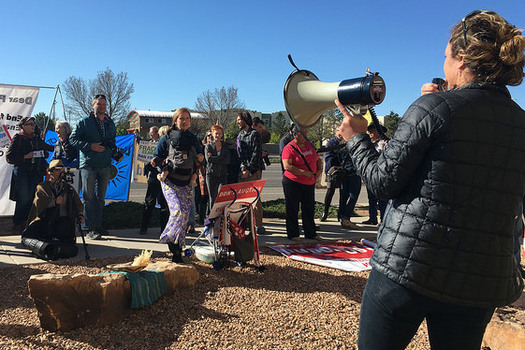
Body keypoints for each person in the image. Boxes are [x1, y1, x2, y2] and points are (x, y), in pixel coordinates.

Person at [335, 10, 525, 349]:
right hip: (479, 281)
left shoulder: (432, 108)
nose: (444, 63)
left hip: (408, 271)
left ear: (462, 60)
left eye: (446, 55)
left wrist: (355, 138)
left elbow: (382, 181)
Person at [154, 107, 204, 263]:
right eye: (181, 118)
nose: (184, 121)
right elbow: (156, 158)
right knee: (178, 211)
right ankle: (168, 237)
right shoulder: (166, 138)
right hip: (169, 181)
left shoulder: (194, 139)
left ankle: (177, 251)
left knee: (184, 218)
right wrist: (163, 169)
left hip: (187, 182)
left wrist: (200, 160)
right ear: (175, 120)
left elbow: (199, 159)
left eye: (187, 118)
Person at [69, 94, 122, 240]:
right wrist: (90, 146)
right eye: (99, 104)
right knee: (88, 197)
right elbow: (72, 139)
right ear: (93, 105)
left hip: (105, 164)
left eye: (104, 104)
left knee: (100, 198)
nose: (102, 106)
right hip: (89, 165)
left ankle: (97, 225)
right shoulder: (84, 122)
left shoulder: (110, 122)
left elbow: (112, 142)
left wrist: (115, 153)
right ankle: (88, 227)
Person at [21, 159, 84, 260]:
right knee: (27, 236)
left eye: (62, 170)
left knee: (64, 227)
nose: (60, 173)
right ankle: (44, 248)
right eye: (58, 170)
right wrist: (54, 202)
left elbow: (78, 204)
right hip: (45, 222)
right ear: (50, 172)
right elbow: (39, 204)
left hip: (62, 224)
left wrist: (80, 215)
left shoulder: (68, 188)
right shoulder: (43, 186)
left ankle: (55, 248)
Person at [6, 116, 54, 233]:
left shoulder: (36, 139)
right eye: (30, 124)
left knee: (33, 197)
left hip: (35, 172)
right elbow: (9, 157)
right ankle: (17, 223)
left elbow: (49, 148)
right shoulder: (18, 139)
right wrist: (25, 156)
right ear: (23, 126)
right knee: (24, 198)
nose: (33, 126)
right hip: (22, 172)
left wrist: (44, 153)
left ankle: (28, 222)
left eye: (34, 124)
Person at [281, 126, 323, 242]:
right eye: (302, 133)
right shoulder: (289, 148)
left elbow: (317, 159)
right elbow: (287, 166)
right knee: (292, 208)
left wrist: (319, 170)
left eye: (306, 132)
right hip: (293, 182)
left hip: (309, 182)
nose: (305, 135)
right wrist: (303, 173)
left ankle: (311, 233)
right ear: (295, 135)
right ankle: (293, 234)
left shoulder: (310, 146)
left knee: (309, 208)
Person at [236, 111, 265, 234]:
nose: (237, 122)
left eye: (239, 119)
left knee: (255, 198)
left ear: (245, 120)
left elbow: (256, 154)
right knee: (242, 199)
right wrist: (243, 169)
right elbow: (240, 154)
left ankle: (259, 224)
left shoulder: (254, 135)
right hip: (243, 171)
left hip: (254, 172)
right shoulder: (240, 136)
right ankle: (245, 222)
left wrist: (249, 170)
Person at [139, 126, 168, 235]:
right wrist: (151, 165)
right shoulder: (150, 145)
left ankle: (164, 229)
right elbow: (146, 165)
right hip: (153, 178)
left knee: (164, 205)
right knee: (149, 203)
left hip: (164, 178)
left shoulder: (168, 147)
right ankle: (144, 227)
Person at [361, 123, 388, 225]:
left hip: (381, 173)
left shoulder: (384, 143)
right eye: (369, 131)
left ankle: (383, 219)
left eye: (372, 131)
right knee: (371, 198)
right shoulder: (369, 144)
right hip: (370, 173)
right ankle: (372, 218)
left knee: (382, 199)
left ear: (378, 131)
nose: (370, 133)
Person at [320, 128, 344, 222]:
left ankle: (340, 214)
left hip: (343, 171)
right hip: (333, 171)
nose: (341, 133)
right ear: (336, 132)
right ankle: (325, 212)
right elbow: (328, 157)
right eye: (339, 131)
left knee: (343, 193)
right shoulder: (331, 143)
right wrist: (329, 171)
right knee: (330, 192)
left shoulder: (346, 142)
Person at [205, 125, 230, 213]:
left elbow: (227, 160)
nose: (218, 135)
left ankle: (221, 216)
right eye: (216, 133)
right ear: (212, 134)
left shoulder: (225, 146)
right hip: (211, 175)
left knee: (222, 196)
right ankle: (211, 218)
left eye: (220, 133)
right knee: (212, 197)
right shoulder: (208, 146)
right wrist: (221, 157)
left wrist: (215, 157)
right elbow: (209, 160)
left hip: (222, 175)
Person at [338, 141, 361, 229]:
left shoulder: (341, 149)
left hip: (344, 174)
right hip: (354, 174)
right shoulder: (355, 149)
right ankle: (346, 218)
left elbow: (339, 159)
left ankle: (342, 217)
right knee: (353, 197)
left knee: (343, 197)